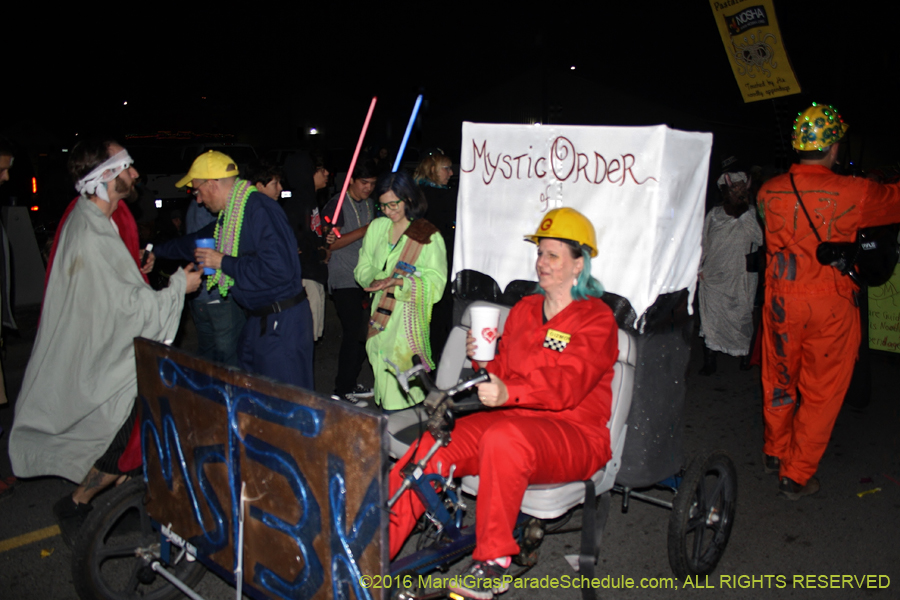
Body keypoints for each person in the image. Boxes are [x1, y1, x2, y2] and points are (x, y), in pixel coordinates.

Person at [388, 207, 618, 599]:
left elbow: (568, 385)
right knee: (435, 442)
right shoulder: (527, 309)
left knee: (505, 439)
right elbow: (503, 372)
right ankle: (371, 546)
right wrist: (483, 358)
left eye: (553, 256)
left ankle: (494, 561)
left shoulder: (596, 319)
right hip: (513, 422)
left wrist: (508, 393)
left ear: (579, 263)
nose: (541, 263)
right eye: (539, 253)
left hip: (574, 434)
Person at [8, 138, 201, 545]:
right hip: (103, 355)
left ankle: (124, 506)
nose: (135, 174)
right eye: (127, 167)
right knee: (122, 440)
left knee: (135, 435)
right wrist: (179, 286)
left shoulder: (102, 219)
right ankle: (77, 502)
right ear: (106, 176)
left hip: (109, 347)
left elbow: (113, 282)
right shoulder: (91, 232)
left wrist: (135, 265)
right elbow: (126, 309)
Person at [758, 103, 900, 500]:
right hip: (830, 305)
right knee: (821, 392)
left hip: (781, 301)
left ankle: (774, 450)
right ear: (834, 145)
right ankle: (797, 473)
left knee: (779, 379)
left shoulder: (767, 191)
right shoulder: (856, 192)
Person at [154, 151, 314, 388]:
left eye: (197, 191)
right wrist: (153, 251)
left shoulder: (259, 209)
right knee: (256, 401)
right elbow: (194, 242)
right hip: (257, 322)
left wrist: (223, 262)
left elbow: (279, 269)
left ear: (211, 184)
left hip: (282, 322)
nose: (197, 200)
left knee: (289, 406)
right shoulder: (230, 217)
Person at [354, 172, 447, 410]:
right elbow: (362, 267)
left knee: (402, 390)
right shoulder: (377, 227)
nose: (388, 211)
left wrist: (399, 283)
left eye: (393, 204)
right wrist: (378, 279)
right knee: (381, 373)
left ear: (409, 199)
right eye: (383, 205)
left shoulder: (427, 236)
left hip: (407, 323)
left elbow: (436, 284)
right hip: (379, 316)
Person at [697, 171, 763, 375]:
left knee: (741, 316)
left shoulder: (751, 213)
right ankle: (710, 359)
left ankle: (745, 355)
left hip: (740, 277)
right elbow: (704, 243)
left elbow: (759, 239)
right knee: (712, 319)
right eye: (734, 188)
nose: (738, 193)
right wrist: (699, 267)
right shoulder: (715, 215)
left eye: (742, 189)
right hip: (714, 276)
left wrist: (743, 210)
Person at [323, 160, 377, 399]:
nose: (368, 188)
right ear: (352, 180)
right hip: (344, 277)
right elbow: (332, 244)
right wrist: (367, 229)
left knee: (365, 334)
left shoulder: (370, 204)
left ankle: (350, 384)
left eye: (372, 184)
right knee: (354, 332)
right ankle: (341, 389)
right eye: (364, 182)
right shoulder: (336, 205)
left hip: (367, 277)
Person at [414, 149, 457, 362]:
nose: (450, 173)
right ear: (432, 170)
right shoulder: (438, 196)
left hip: (420, 265)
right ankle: (436, 365)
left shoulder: (416, 194)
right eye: (446, 168)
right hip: (437, 263)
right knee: (439, 316)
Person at [283, 151, 330, 342]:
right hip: (304, 276)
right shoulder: (295, 202)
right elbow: (299, 240)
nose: (326, 173)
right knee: (304, 336)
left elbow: (312, 233)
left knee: (314, 334)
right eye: (320, 170)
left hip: (315, 272)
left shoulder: (310, 199)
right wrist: (319, 253)